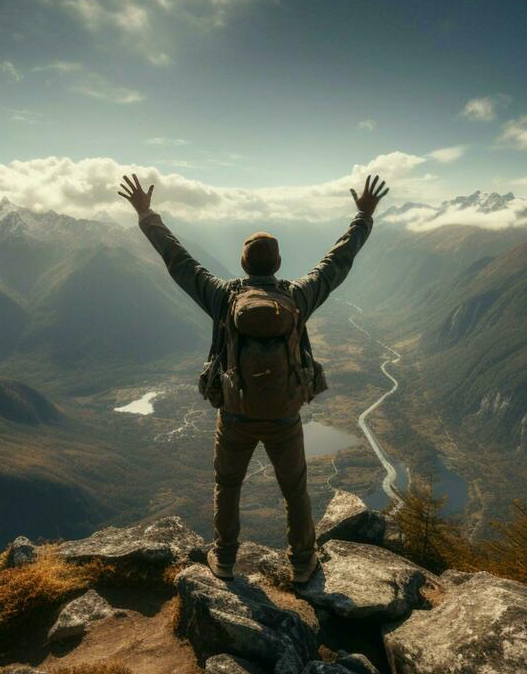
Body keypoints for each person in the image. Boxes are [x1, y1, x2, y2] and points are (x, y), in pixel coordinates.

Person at [118, 173, 389, 584]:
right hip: (283, 417)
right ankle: (302, 564)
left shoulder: (223, 297)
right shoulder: (297, 298)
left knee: (228, 486)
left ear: (243, 264)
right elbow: (337, 263)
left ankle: (224, 560)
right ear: (277, 264)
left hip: (236, 415)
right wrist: (363, 217)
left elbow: (179, 260)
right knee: (295, 491)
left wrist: (146, 215)